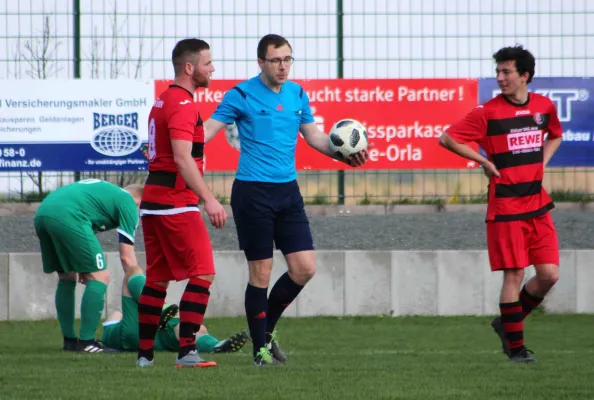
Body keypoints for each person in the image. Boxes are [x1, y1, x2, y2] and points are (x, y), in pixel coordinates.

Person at [203, 34, 370, 366]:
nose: (283, 66)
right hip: (252, 193)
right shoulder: (241, 94)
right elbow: (206, 130)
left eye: (288, 59)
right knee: (261, 274)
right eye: (276, 60)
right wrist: (174, 143)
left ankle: (265, 332)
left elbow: (315, 137)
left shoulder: (297, 93)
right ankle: (259, 353)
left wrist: (343, 155)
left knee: (304, 268)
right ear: (261, 62)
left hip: (287, 192)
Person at [438, 45, 563, 363]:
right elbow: (448, 138)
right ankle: (517, 350)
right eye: (498, 71)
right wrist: (482, 159)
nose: (500, 77)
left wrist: (543, 162)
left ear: (525, 76)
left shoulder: (544, 107)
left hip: (538, 203)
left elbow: (555, 135)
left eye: (507, 72)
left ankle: (507, 323)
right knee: (514, 275)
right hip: (506, 207)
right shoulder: (488, 112)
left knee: (549, 274)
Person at [136, 38, 227, 369]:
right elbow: (182, 158)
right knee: (203, 274)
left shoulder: (163, 101)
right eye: (208, 63)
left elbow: (161, 152)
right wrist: (210, 199)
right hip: (176, 203)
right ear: (190, 68)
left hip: (153, 202)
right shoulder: (183, 104)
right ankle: (187, 351)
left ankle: (144, 357)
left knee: (157, 280)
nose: (212, 69)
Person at [34, 179, 144, 353]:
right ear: (139, 202)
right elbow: (126, 258)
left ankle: (70, 341)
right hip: (69, 215)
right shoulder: (129, 202)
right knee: (101, 276)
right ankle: (87, 342)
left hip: (43, 212)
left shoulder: (107, 195)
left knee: (67, 276)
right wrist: (138, 284)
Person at [101, 267, 249, 354]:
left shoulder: (110, 330)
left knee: (132, 272)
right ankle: (214, 344)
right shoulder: (116, 320)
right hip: (154, 336)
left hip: (136, 335)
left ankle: (216, 345)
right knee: (187, 329)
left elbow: (115, 315)